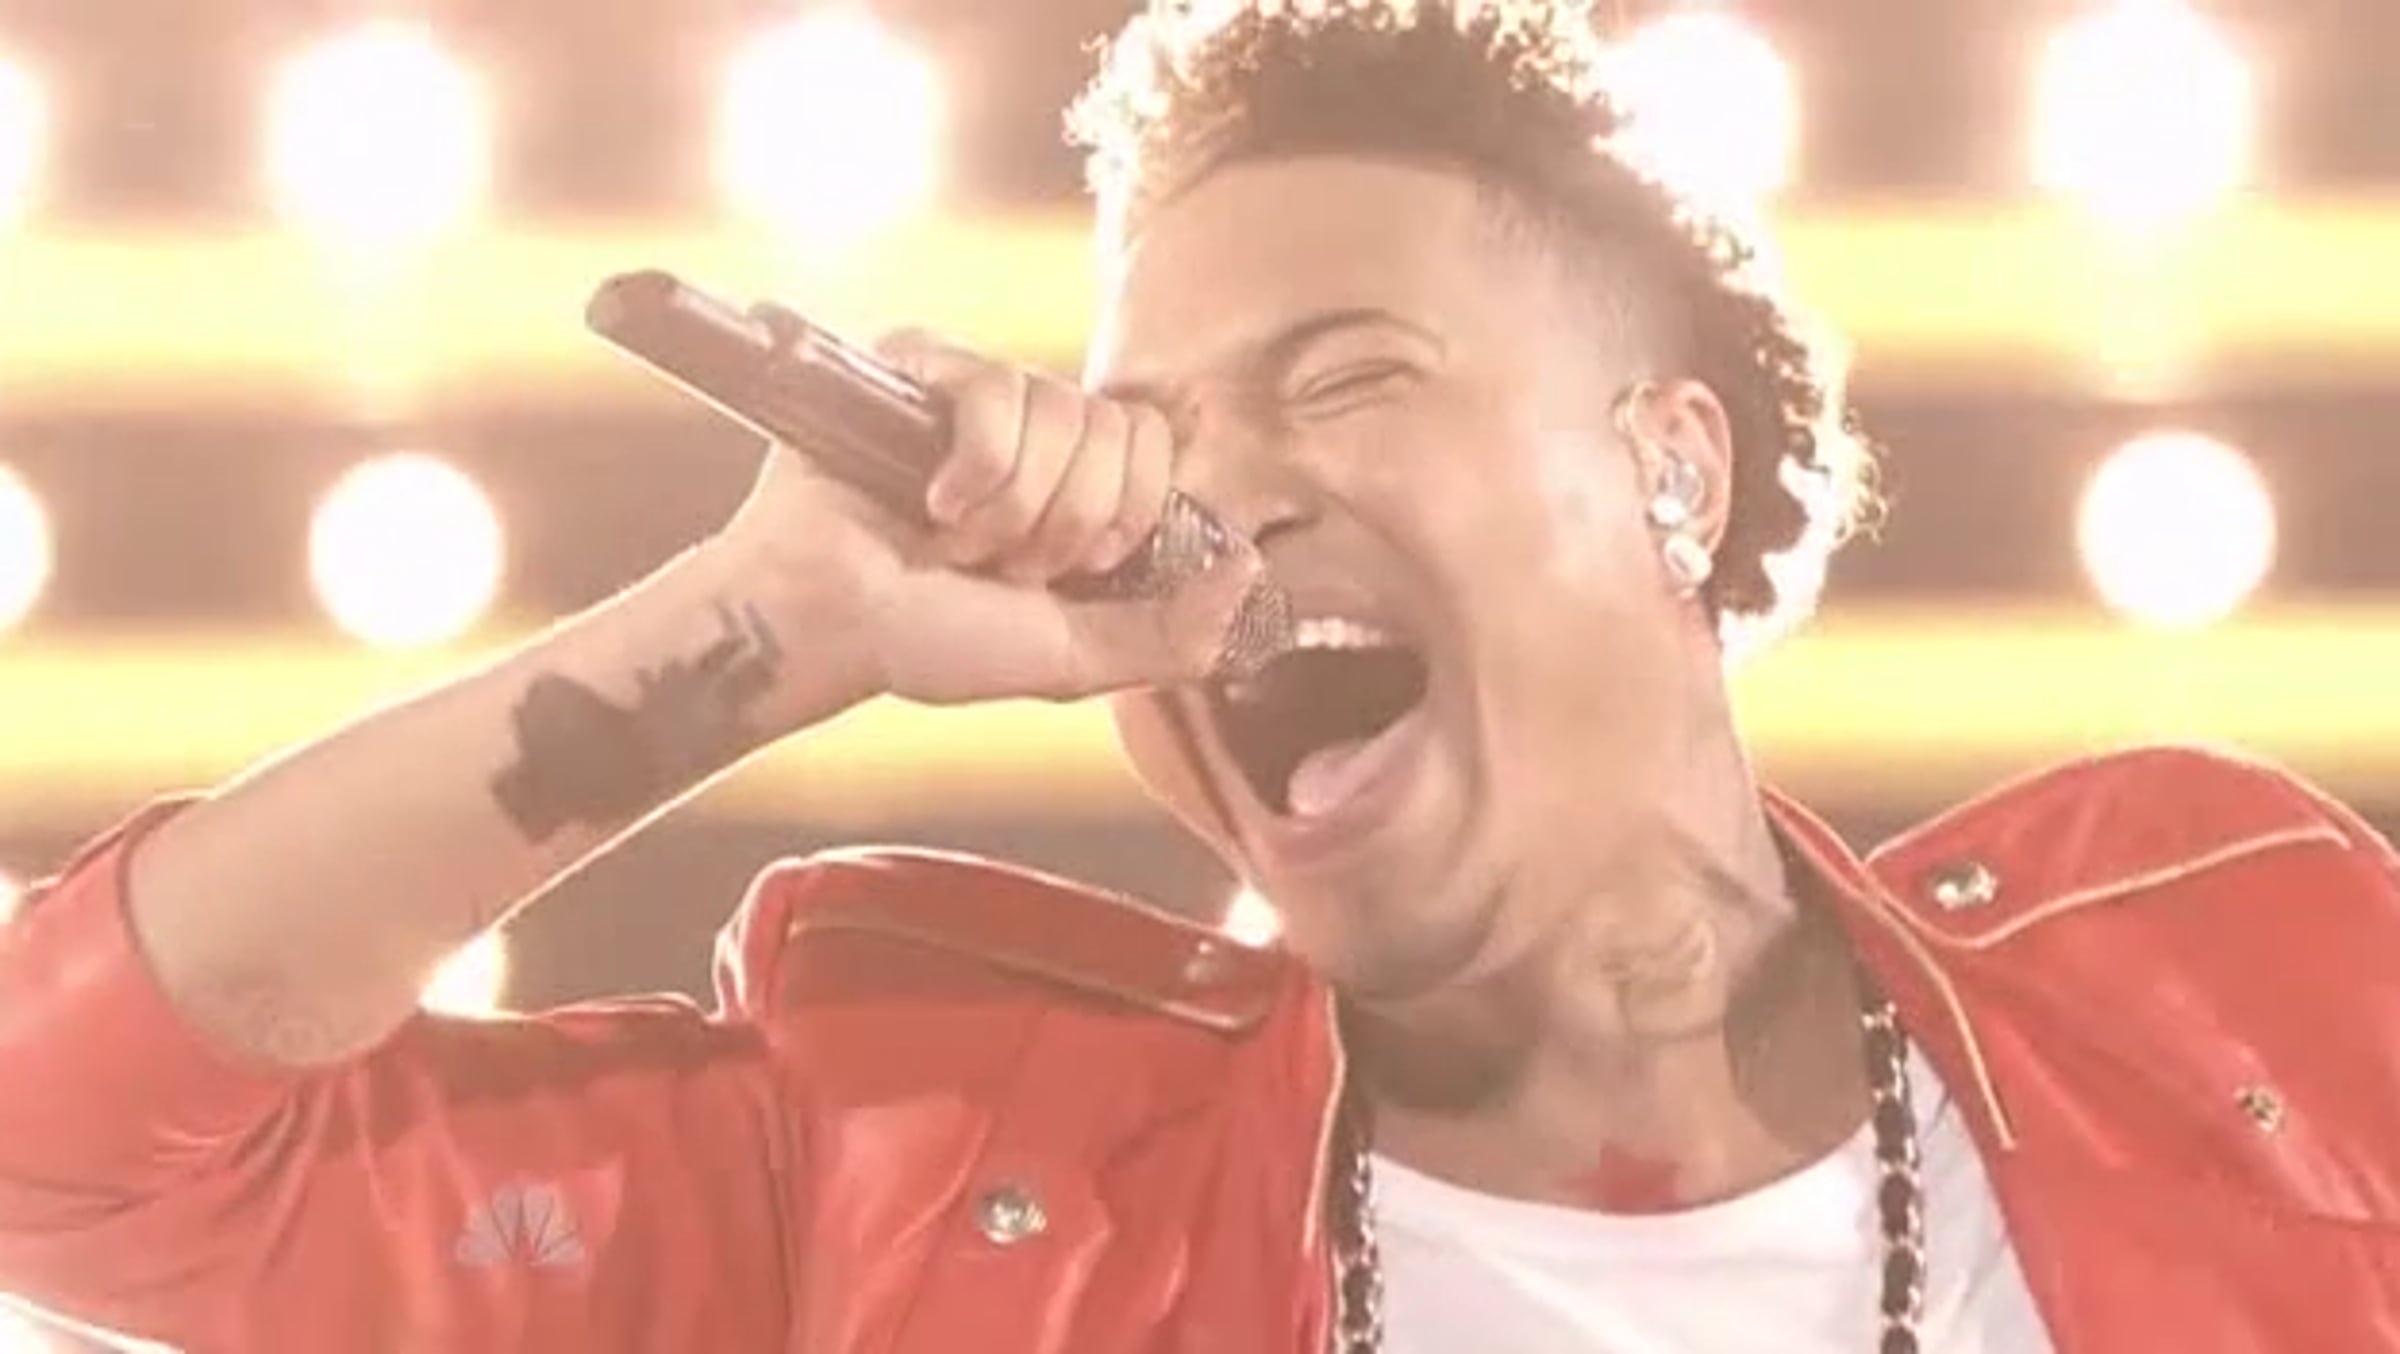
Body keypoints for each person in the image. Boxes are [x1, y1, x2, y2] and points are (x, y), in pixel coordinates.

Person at [3, 1, 2396, 1349]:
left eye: (1346, 379)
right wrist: (776, 624)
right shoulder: (920, 1164)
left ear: (1671, 468)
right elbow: (65, 1140)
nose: (1212, 503)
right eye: (1157, 434)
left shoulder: (2247, 981)